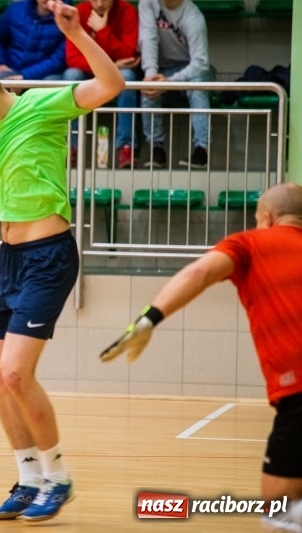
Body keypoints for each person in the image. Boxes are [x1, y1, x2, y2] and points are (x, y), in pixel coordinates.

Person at [0, 0, 124, 521]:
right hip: (11, 256)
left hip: (49, 254)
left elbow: (111, 86)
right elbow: (5, 167)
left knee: (17, 372)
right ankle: (27, 479)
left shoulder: (43, 105)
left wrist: (79, 35)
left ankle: (58, 477)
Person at [100, 182, 302, 533]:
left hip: (298, 394)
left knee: (280, 510)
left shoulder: (251, 243)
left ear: (267, 218)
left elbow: (200, 272)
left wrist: (149, 319)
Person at [62, 0, 140, 169]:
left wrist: (102, 31)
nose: (99, 4)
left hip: (117, 73)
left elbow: (129, 53)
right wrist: (108, 66)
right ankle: (72, 147)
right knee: (71, 75)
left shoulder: (127, 11)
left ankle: (126, 147)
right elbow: (72, 58)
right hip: (90, 70)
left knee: (127, 77)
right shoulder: (79, 11)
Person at [139, 0, 214, 169]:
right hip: (163, 69)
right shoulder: (148, 3)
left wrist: (169, 83)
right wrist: (151, 77)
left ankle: (202, 149)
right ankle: (156, 148)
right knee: (148, 89)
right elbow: (148, 37)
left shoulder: (193, 16)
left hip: (192, 70)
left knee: (198, 87)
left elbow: (201, 65)